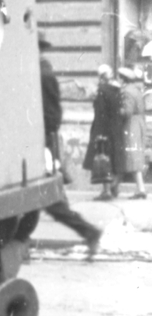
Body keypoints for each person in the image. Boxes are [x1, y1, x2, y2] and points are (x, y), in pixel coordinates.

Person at [38, 41, 103, 258]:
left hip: (39, 144)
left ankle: (90, 232)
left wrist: (43, 139)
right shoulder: (36, 71)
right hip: (39, 143)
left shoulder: (42, 74)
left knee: (51, 202)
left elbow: (52, 115)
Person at [86, 63, 119, 194]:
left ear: (101, 76)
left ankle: (106, 191)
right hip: (114, 129)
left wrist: (98, 133)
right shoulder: (115, 89)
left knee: (102, 159)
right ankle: (114, 185)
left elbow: (100, 112)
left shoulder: (101, 91)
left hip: (102, 130)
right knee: (112, 158)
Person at [122, 61, 150, 200]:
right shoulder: (137, 90)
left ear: (124, 80)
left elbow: (127, 111)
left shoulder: (127, 92)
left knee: (132, 156)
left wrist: (116, 112)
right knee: (134, 156)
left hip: (131, 125)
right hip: (139, 123)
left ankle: (140, 189)